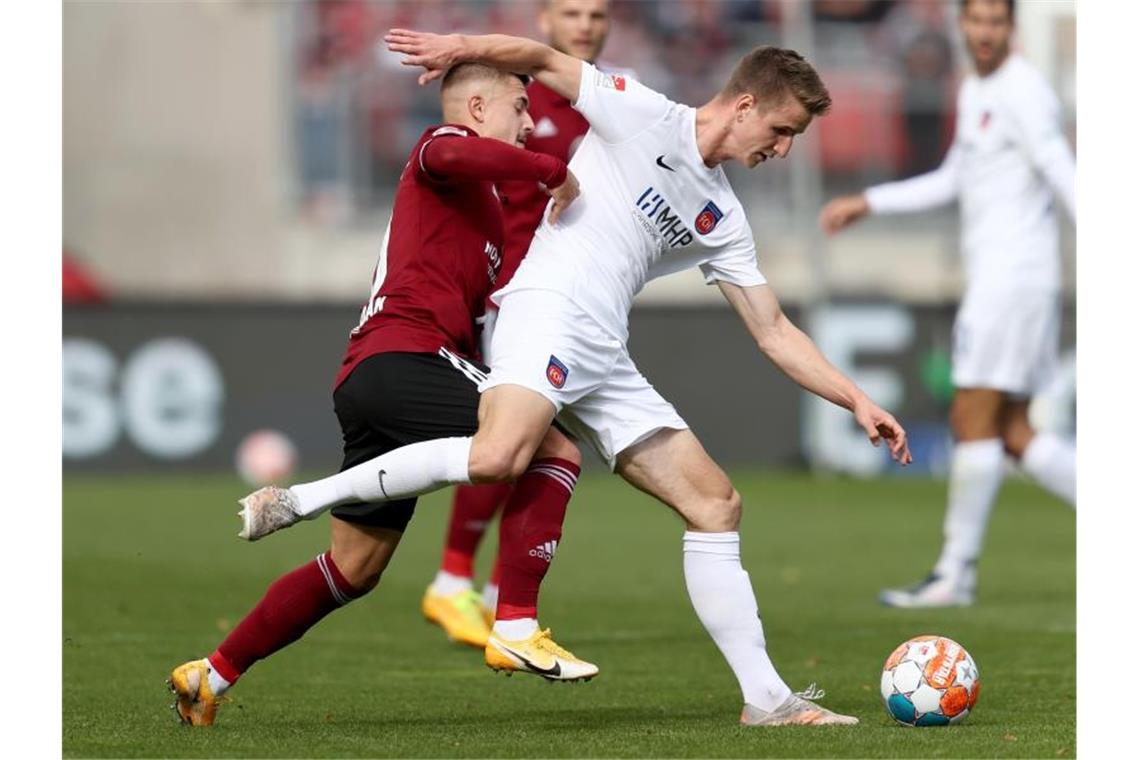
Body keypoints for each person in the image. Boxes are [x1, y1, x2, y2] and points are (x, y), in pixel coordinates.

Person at [244, 30, 913, 727]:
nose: (783, 150)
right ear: (744, 105)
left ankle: (767, 699)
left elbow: (773, 330)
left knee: (716, 505)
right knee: (503, 455)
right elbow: (539, 60)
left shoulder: (725, 218)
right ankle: (303, 498)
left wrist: (856, 398)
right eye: (782, 130)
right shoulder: (642, 111)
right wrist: (459, 47)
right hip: (547, 311)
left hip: (604, 351)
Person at [168, 62, 594, 727]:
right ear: (477, 108)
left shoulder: (483, 206)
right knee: (552, 450)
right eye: (518, 106)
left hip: (380, 374)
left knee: (354, 568)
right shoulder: (439, 149)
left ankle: (210, 675)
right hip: (406, 357)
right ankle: (514, 623)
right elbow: (449, 150)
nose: (529, 121)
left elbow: (484, 327)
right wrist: (546, 168)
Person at [819, 0, 1075, 608]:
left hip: (1012, 281)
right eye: (976, 21)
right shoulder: (979, 89)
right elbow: (954, 178)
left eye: (996, 22)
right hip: (1010, 281)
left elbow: (1064, 171)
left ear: (1011, 27)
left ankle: (955, 573)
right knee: (1014, 433)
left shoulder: (1021, 91)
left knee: (971, 417)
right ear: (962, 25)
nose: (985, 33)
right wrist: (871, 201)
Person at [423, 0, 621, 653]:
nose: (586, 24)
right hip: (509, 295)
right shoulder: (519, 101)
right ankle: (455, 579)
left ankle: (472, 588)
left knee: (531, 443)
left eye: (597, 13)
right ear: (544, 22)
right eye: (572, 12)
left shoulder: (611, 103)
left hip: (573, 301)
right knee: (523, 441)